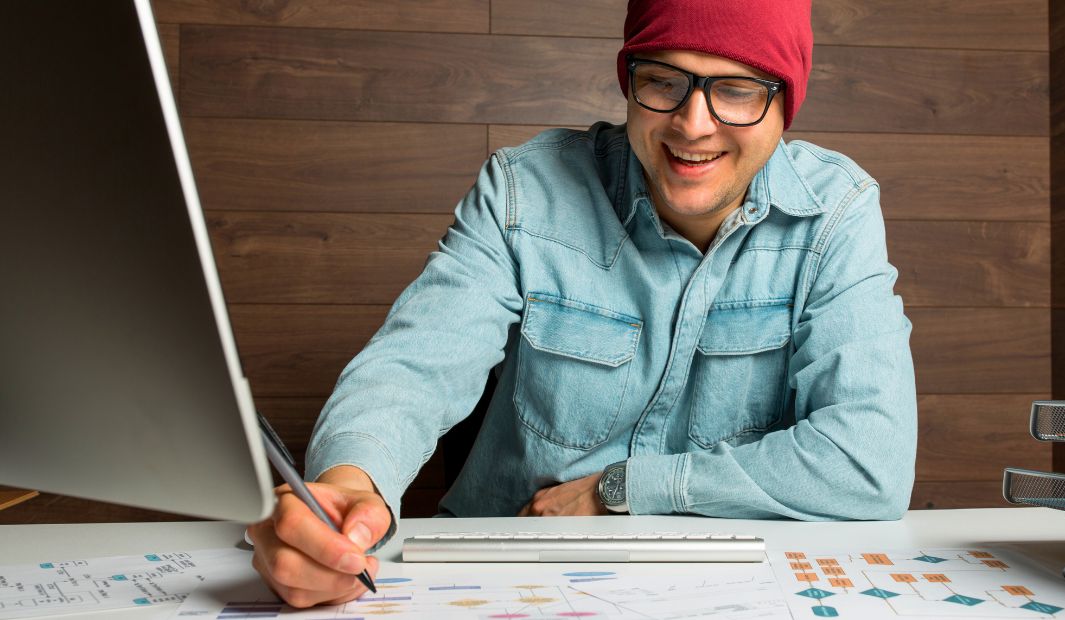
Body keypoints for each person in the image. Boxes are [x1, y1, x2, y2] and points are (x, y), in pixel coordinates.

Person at [247, 0, 916, 608]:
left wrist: (624, 489)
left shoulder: (838, 217)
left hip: (729, 592)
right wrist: (348, 490)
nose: (693, 124)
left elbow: (868, 460)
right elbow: (410, 370)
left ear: (783, 107)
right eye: (664, 81)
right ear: (629, 81)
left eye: (737, 91)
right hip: (509, 583)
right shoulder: (523, 191)